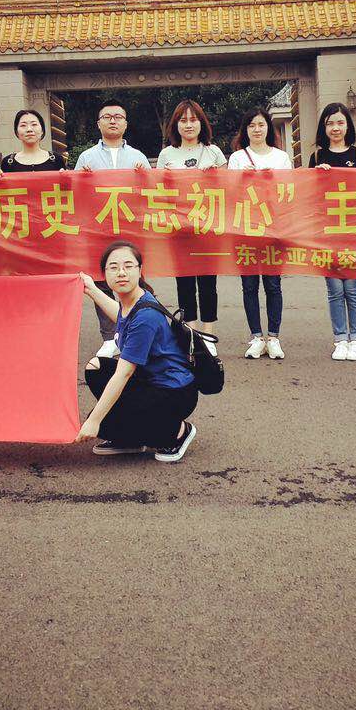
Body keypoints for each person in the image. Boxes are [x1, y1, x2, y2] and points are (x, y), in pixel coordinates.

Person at [78, 242, 197, 463]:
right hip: (151, 380)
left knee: (105, 424)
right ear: (105, 273)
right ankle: (130, 439)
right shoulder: (133, 301)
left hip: (174, 391)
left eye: (128, 266)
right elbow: (121, 316)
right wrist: (91, 289)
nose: (121, 273)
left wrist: (94, 421)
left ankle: (178, 431)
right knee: (96, 368)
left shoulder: (145, 316)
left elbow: (124, 373)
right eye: (113, 267)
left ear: (140, 270)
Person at [75, 100, 153, 357]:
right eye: (107, 116)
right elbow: (75, 195)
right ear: (99, 124)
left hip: (131, 228)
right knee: (103, 280)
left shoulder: (138, 157)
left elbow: (152, 192)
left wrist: (144, 177)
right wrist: (82, 179)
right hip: (99, 229)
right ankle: (110, 337)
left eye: (118, 117)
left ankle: (138, 328)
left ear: (125, 124)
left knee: (135, 277)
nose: (112, 120)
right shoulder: (86, 157)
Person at [156, 100, 226, 354]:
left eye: (193, 120)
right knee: (184, 282)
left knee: (208, 283)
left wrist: (216, 175)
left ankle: (208, 335)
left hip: (208, 227)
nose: (188, 125)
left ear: (201, 123)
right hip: (179, 229)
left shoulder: (214, 152)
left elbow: (229, 189)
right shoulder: (167, 155)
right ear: (175, 125)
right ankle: (190, 333)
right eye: (183, 120)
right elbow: (158, 192)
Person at [228, 107, 292, 359]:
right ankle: (256, 336)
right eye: (252, 125)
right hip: (245, 227)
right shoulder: (237, 158)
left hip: (274, 228)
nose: (257, 129)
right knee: (249, 285)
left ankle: (273, 337)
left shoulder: (281, 157)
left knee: (273, 284)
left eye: (261, 124)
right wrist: (243, 179)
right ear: (245, 130)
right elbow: (229, 192)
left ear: (268, 128)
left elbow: (289, 191)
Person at [309, 102, 356, 361]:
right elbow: (310, 196)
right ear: (324, 128)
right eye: (330, 123)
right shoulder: (316, 158)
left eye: (340, 122)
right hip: (327, 233)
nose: (335, 128)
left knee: (353, 289)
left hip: (353, 231)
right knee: (334, 289)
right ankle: (340, 339)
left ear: (348, 125)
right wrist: (317, 176)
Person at [0, 109, 67, 172]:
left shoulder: (57, 160)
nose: (29, 129)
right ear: (17, 132)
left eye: (34, 124)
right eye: (23, 125)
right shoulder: (8, 163)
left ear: (42, 131)